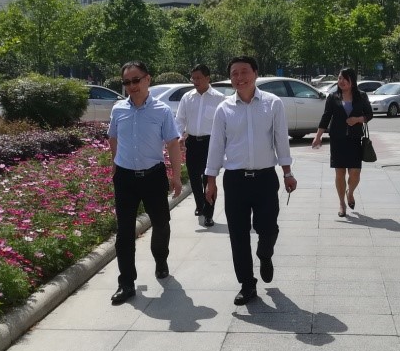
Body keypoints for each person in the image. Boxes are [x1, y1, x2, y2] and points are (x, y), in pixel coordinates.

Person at [204, 56, 297, 305]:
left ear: (255, 73)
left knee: (269, 228)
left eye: (244, 72)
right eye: (234, 73)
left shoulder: (272, 103)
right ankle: (247, 284)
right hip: (235, 180)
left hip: (265, 179)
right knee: (238, 234)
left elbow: (281, 140)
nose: (239, 77)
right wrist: (210, 181)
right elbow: (216, 146)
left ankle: (265, 255)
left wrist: (287, 173)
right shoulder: (224, 109)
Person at [107, 61, 183, 304]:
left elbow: (172, 143)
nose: (132, 86)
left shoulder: (162, 110)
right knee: (124, 232)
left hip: (153, 176)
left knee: (161, 223)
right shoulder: (118, 109)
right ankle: (126, 283)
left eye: (136, 80)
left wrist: (176, 176)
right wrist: (115, 162)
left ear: (148, 79)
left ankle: (161, 259)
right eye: (127, 82)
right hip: (125, 178)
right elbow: (113, 137)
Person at [311, 67, 373, 217]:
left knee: (355, 173)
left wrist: (357, 119)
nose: (342, 81)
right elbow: (326, 117)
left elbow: (369, 114)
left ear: (352, 81)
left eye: (345, 78)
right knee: (340, 172)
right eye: (339, 78)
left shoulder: (361, 96)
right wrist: (318, 136)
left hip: (354, 139)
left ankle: (350, 192)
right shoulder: (333, 97)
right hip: (337, 140)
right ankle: (341, 203)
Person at [176, 64, 225, 227]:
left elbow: (223, 124)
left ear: (207, 78)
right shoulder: (187, 97)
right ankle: (200, 205)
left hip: (210, 143)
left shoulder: (219, 98)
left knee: (209, 179)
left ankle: (209, 214)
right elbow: (180, 119)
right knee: (194, 177)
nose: (195, 81)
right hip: (192, 142)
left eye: (199, 78)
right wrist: (179, 136)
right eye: (193, 78)